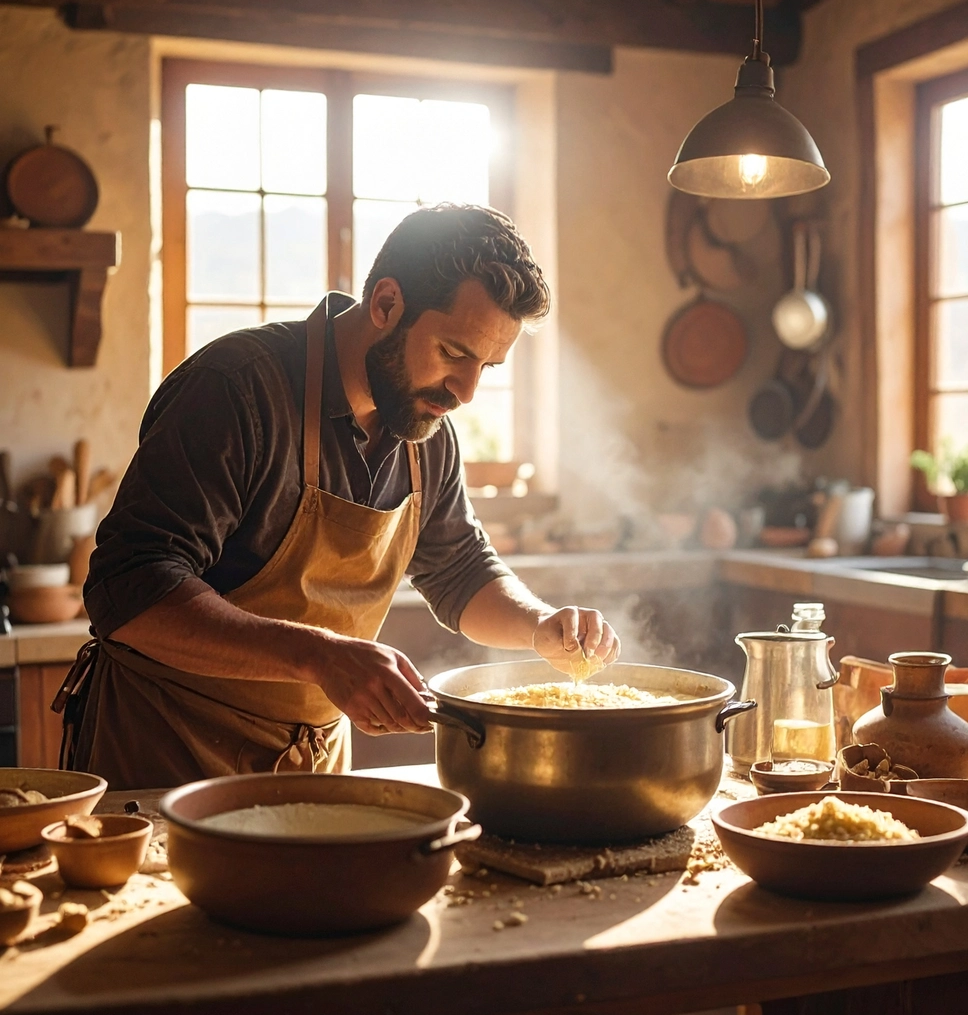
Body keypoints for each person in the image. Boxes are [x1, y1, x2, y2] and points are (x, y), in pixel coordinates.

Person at [54, 204, 620, 790]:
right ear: (386, 304)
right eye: (453, 353)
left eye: (488, 366)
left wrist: (539, 624)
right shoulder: (235, 389)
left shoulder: (426, 427)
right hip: (166, 753)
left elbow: (460, 571)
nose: (466, 391)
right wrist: (321, 656)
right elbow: (130, 588)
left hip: (311, 765)